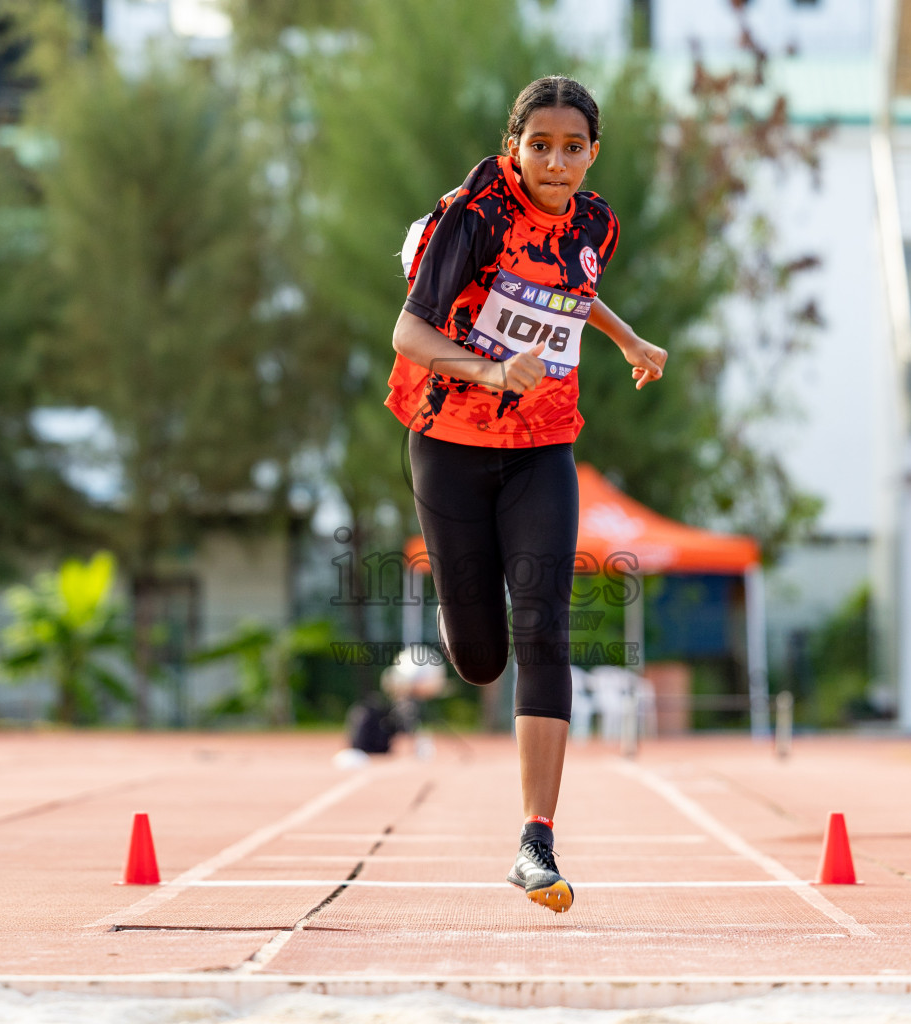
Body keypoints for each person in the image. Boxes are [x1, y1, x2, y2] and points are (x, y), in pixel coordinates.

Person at [386, 76, 667, 913]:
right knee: (480, 658)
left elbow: (572, 290)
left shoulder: (597, 223)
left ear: (592, 153)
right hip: (449, 441)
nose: (555, 160)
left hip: (544, 443)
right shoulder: (475, 215)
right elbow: (408, 331)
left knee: (545, 620)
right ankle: (455, 590)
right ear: (515, 144)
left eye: (572, 146)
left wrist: (625, 338)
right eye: (538, 144)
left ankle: (535, 840)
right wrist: (486, 368)